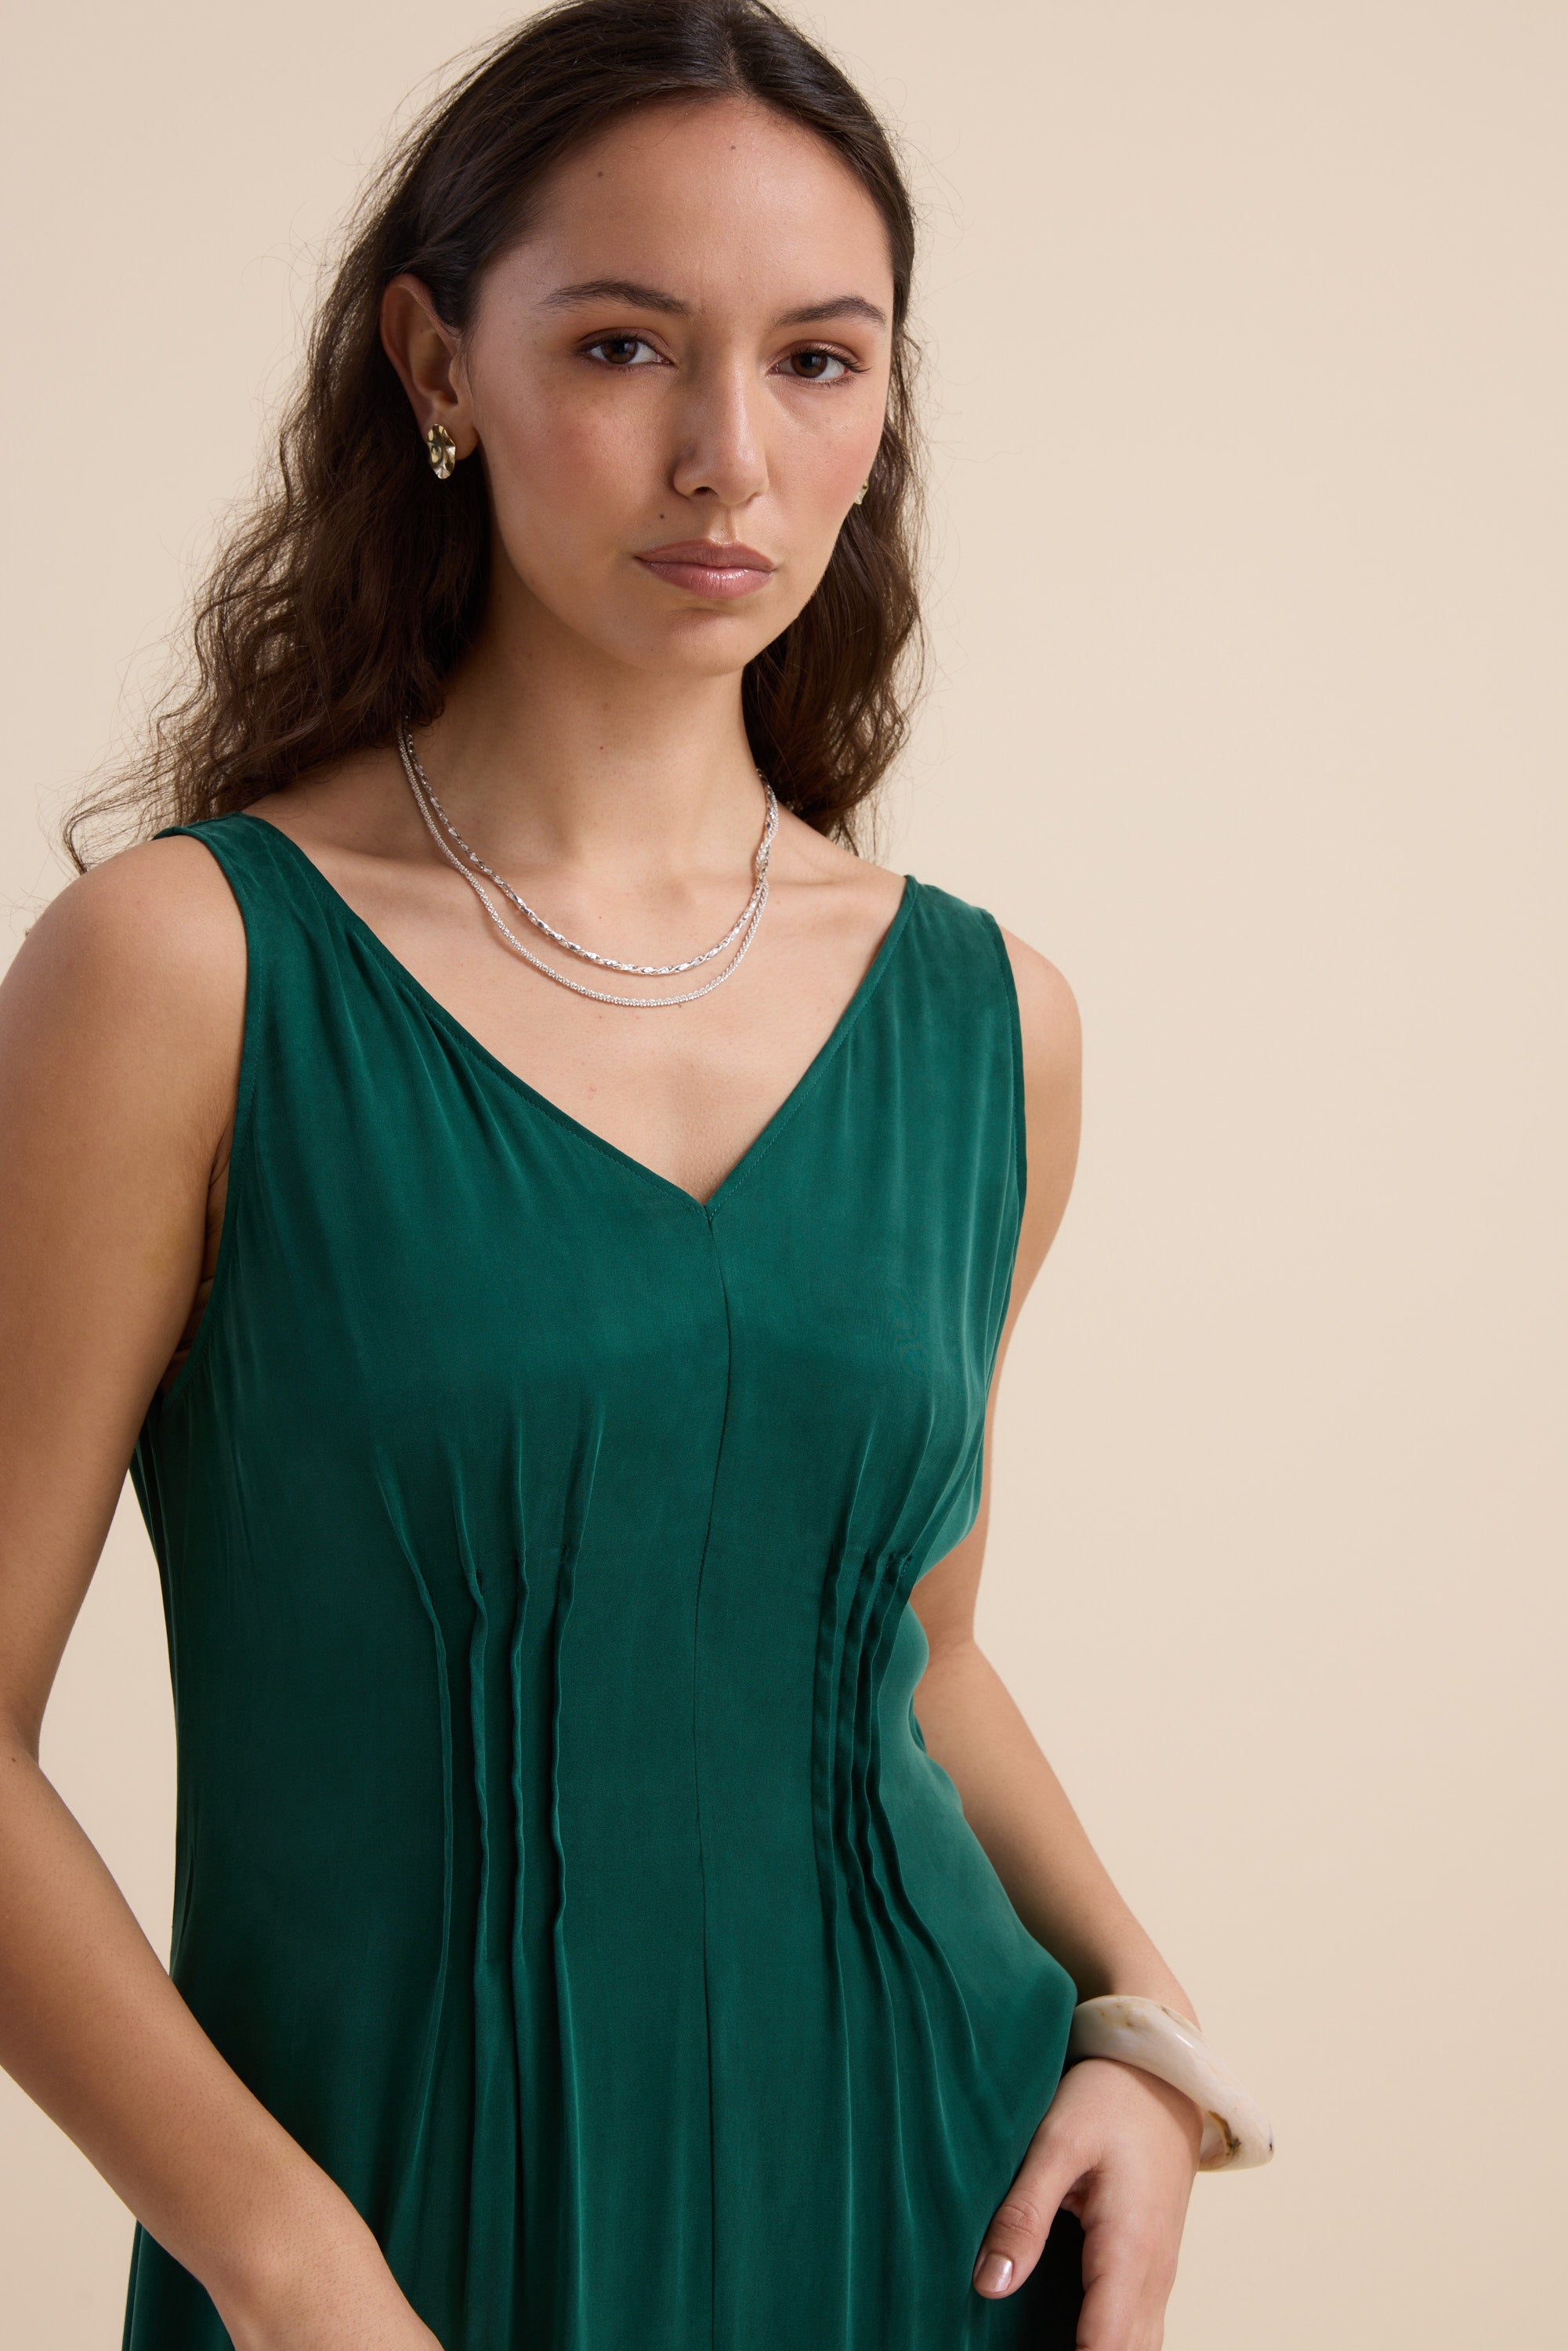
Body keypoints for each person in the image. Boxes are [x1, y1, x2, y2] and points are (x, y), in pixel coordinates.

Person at [0, 5, 1217, 2346]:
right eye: (626, 344)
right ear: (434, 369)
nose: (727, 460)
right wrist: (288, 2271)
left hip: (929, 2220)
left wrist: (1146, 2041)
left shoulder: (990, 1023)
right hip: (399, 2255)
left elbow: (913, 1655)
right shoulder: (184, 971)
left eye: (820, 362)